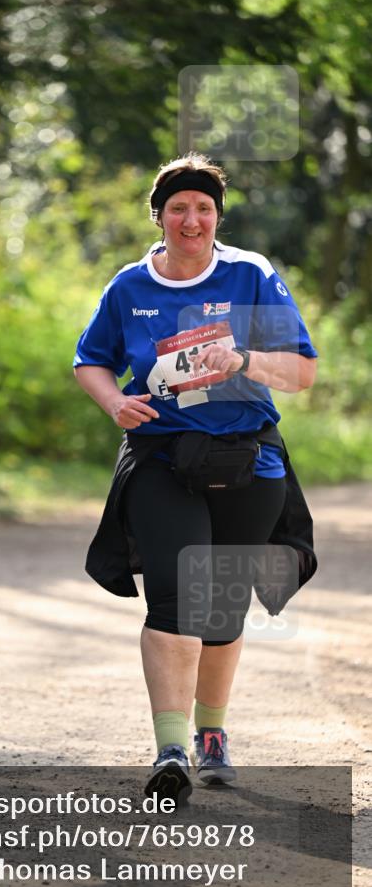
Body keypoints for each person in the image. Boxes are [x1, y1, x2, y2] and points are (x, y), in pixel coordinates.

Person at [73, 153, 317, 803]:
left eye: (203, 208)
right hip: (160, 458)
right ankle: (170, 746)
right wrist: (111, 403)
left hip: (248, 458)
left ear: (216, 216)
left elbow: (300, 372)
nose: (191, 218)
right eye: (178, 207)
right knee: (176, 596)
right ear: (158, 217)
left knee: (221, 607)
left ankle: (212, 733)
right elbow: (89, 361)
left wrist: (242, 358)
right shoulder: (129, 286)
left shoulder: (249, 275)